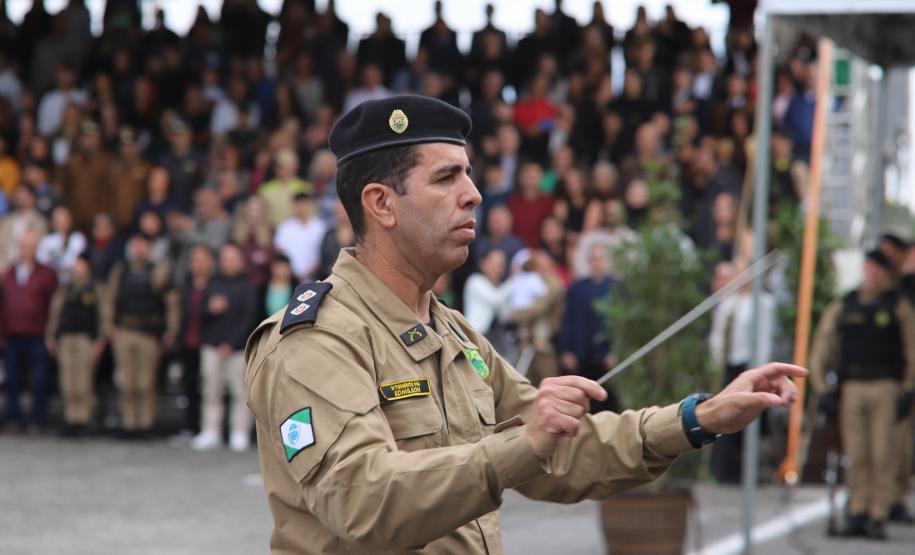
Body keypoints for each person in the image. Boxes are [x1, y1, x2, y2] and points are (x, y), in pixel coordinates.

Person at [244, 95, 806, 554]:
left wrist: (698, 417)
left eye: (469, 174)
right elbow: (360, 500)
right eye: (447, 178)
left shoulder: (453, 333)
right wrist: (521, 445)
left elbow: (557, 450)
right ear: (381, 204)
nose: (474, 194)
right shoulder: (317, 340)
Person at [809, 250, 915, 539]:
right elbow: (823, 345)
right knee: (856, 454)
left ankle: (877, 512)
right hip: (853, 387)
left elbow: (911, 348)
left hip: (885, 386)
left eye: (878, 270)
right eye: (869, 268)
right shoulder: (846, 304)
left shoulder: (896, 306)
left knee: (883, 453)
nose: (872, 274)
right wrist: (821, 388)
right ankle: (857, 509)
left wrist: (908, 389)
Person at [104, 233, 179, 438]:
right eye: (136, 245)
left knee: (146, 382)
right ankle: (130, 423)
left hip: (148, 332)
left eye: (143, 245)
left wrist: (171, 329)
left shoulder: (158, 271)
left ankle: (146, 423)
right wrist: (108, 325)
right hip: (125, 330)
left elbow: (171, 301)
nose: (139, 249)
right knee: (126, 382)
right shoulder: (121, 270)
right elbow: (110, 298)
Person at [193, 243, 257, 451]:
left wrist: (232, 343)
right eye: (225, 258)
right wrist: (210, 308)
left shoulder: (248, 286)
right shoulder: (212, 283)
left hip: (237, 349)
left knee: (240, 392)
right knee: (211, 390)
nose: (228, 263)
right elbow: (199, 313)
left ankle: (239, 432)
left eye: (232, 258)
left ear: (240, 262)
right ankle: (211, 430)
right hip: (212, 346)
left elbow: (250, 318)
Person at [0, 230, 58, 434]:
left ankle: (37, 419)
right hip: (13, 334)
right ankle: (13, 418)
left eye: (28, 245)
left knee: (40, 380)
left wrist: (51, 332)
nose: (24, 249)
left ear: (36, 248)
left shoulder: (46, 273)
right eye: (22, 245)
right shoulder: (9, 272)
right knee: (12, 380)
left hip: (38, 334)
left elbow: (54, 304)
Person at [45, 253, 104, 437]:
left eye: (81, 264)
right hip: (66, 338)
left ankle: (83, 419)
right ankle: (71, 419)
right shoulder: (66, 288)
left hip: (85, 338)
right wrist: (51, 335)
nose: (77, 267)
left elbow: (104, 315)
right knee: (67, 381)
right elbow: (55, 313)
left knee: (83, 382)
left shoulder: (95, 287)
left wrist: (100, 340)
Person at [559, 244, 618, 413]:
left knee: (609, 404)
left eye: (600, 258)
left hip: (606, 357)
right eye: (593, 259)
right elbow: (568, 320)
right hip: (582, 355)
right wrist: (566, 350)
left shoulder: (617, 288)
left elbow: (622, 327)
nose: (596, 263)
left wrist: (616, 352)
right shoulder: (577, 288)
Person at [177, 243, 216, 437]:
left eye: (201, 259)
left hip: (208, 342)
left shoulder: (217, 285)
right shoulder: (185, 286)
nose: (196, 264)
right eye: (193, 260)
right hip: (188, 342)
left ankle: (208, 427)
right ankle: (190, 426)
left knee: (209, 387)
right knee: (189, 385)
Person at [274, 192, 327, 282]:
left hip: (316, 277)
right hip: (290, 279)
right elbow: (280, 251)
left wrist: (310, 271)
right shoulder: (285, 227)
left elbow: (324, 253)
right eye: (297, 205)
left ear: (310, 205)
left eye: (304, 204)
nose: (301, 208)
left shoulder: (320, 227)